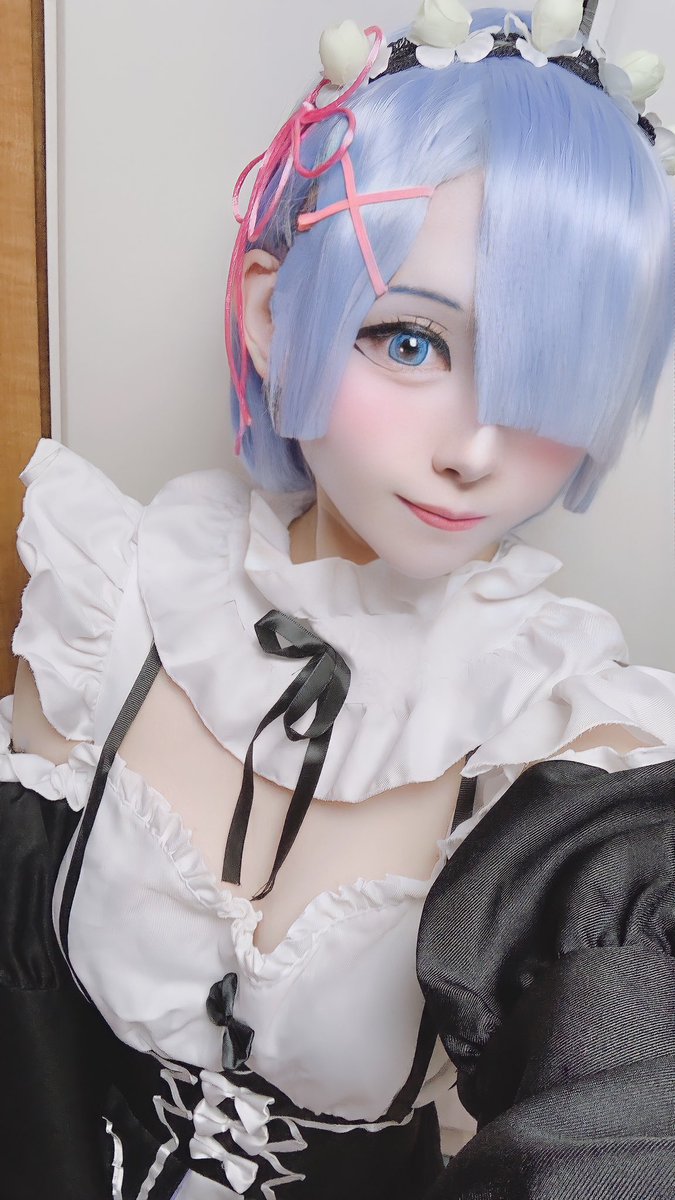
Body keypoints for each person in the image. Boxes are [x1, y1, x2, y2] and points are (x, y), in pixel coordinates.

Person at [1, 3, 674, 1198]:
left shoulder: (566, 752)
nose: (474, 450)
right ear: (272, 315)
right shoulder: (108, 602)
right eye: (411, 343)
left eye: (547, 378)